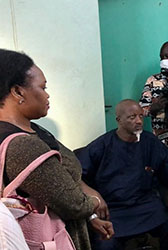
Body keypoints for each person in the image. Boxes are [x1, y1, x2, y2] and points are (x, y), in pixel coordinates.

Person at [0, 49, 114, 250]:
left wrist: (90, 214)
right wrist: (95, 200)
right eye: (43, 87)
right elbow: (74, 204)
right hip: (51, 240)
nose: (47, 94)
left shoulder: (31, 129)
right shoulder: (23, 146)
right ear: (18, 92)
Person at [76, 99, 168, 250]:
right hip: (113, 209)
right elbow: (76, 176)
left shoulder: (149, 141)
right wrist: (93, 194)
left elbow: (167, 162)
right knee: (105, 245)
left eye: (141, 116)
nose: (139, 121)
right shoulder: (101, 146)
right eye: (132, 117)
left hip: (145, 204)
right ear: (119, 120)